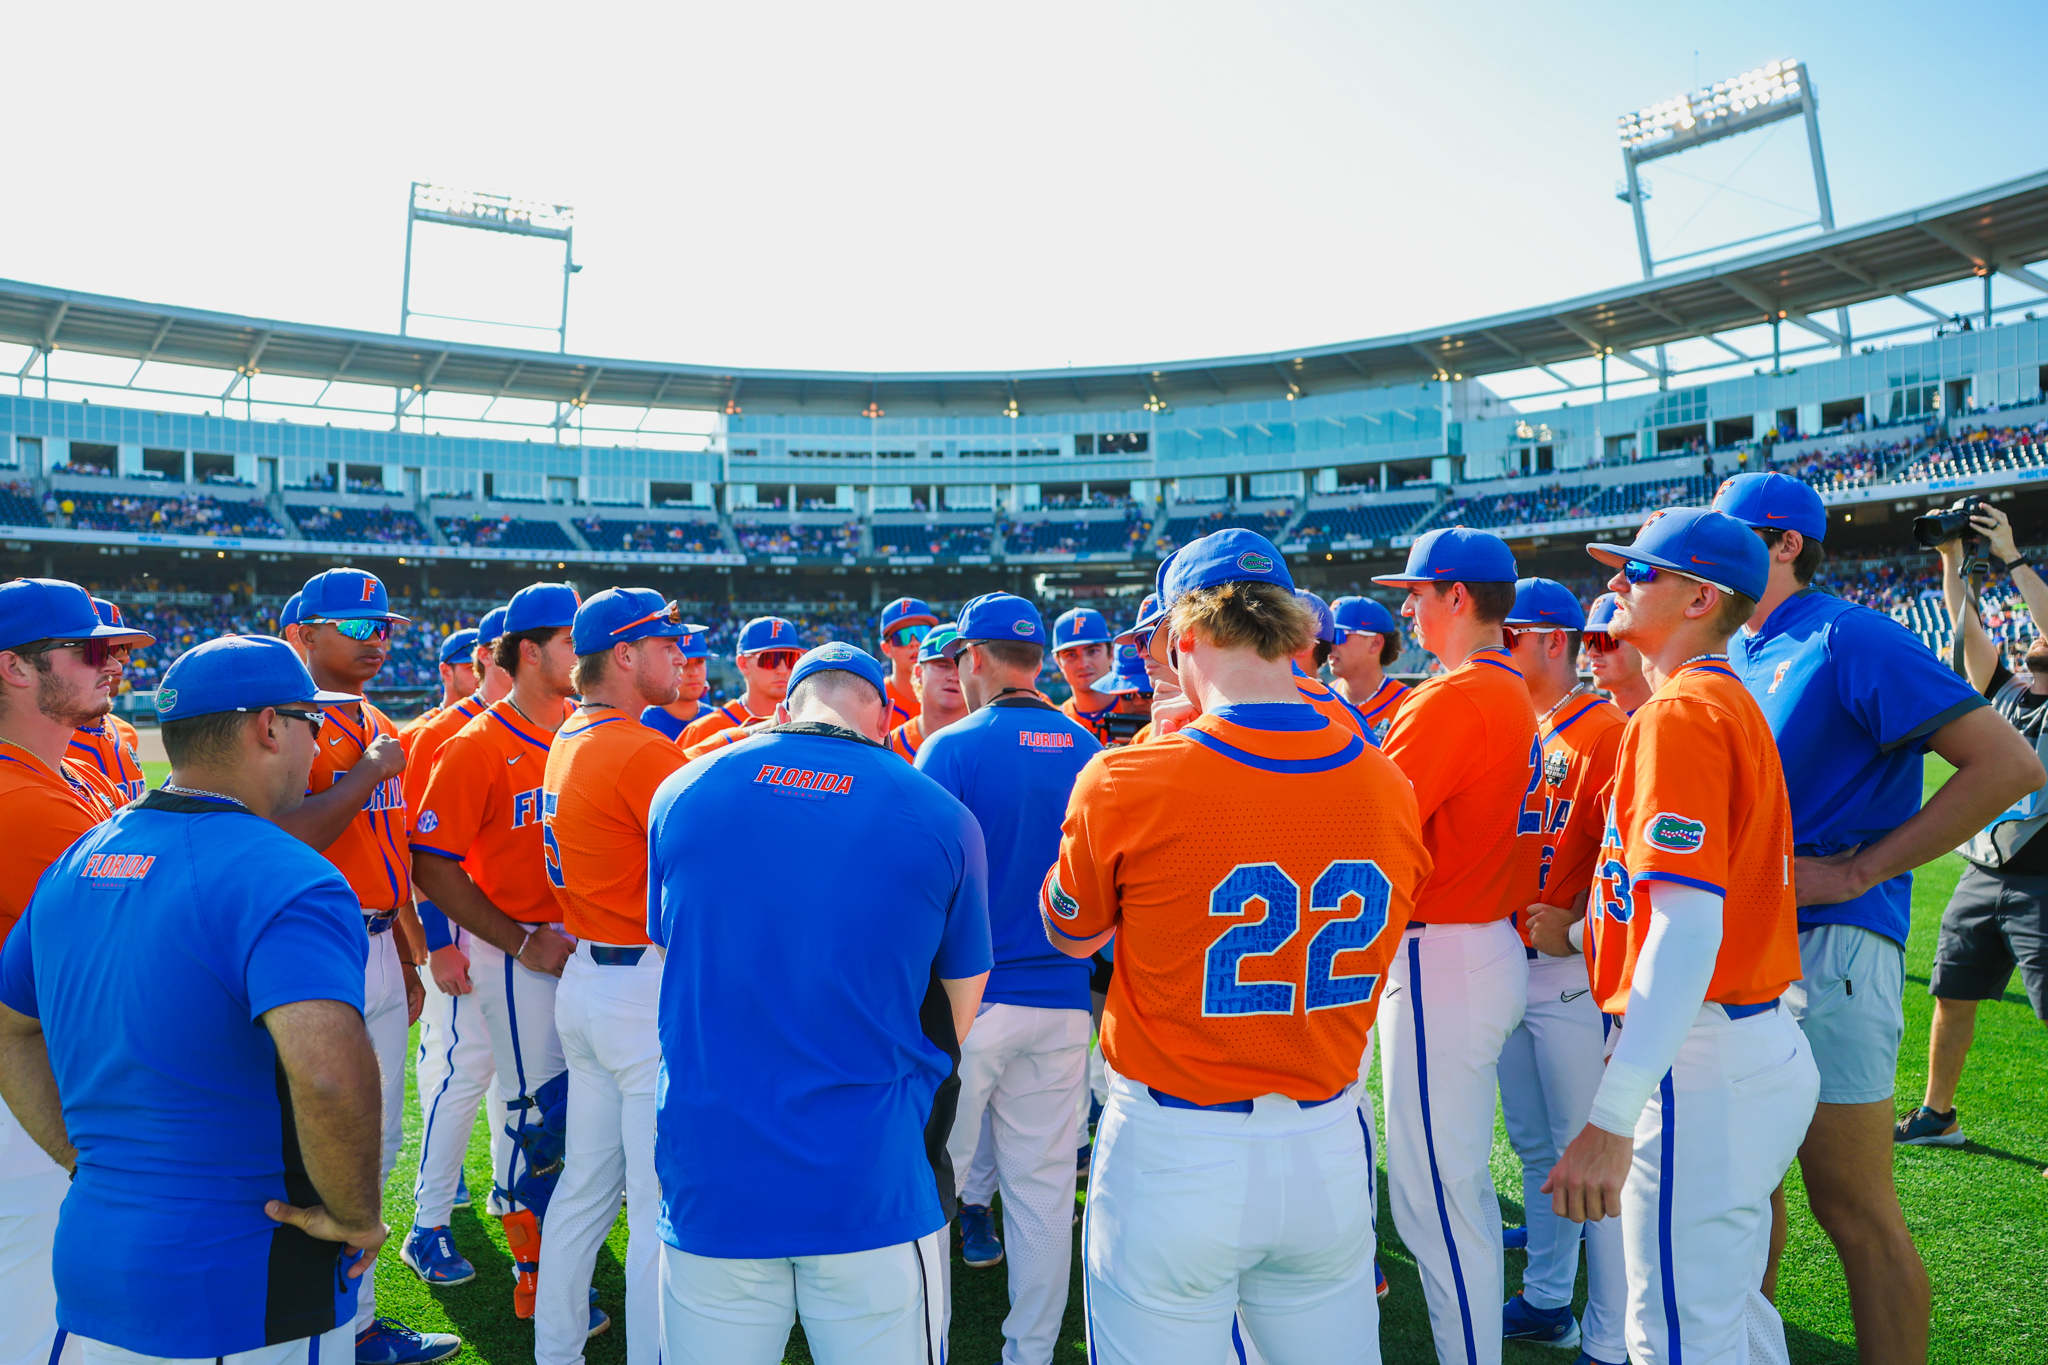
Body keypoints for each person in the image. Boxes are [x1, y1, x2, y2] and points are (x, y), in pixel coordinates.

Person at [1041, 528, 1429, 1364]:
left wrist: (1155, 744)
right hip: (1328, 1143)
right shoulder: (1386, 781)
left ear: (1183, 638)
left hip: (1175, 1149)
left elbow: (1071, 932)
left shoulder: (1128, 776)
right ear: (1293, 631)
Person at [1711, 475, 2038, 1365]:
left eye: (1730, 532)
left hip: (1833, 947)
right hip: (1749, 951)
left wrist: (1858, 867)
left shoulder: (1846, 633)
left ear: (1783, 544)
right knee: (1750, 1189)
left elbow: (2008, 764)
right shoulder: (1739, 645)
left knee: (1850, 1202)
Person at [0, 633, 384, 1365]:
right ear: (268, 725)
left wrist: (83, 1161)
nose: (319, 744)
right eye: (314, 722)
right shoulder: (285, 872)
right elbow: (328, 1071)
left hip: (96, 1264)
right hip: (244, 1287)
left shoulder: (78, 856)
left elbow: (9, 1028)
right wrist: (359, 1214)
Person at [646, 642, 992, 1365]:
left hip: (713, 1171)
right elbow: (958, 1011)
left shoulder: (683, 790)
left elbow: (671, 953)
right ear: (882, 714)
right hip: (870, 1174)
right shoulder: (940, 815)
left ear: (785, 702)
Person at [1545, 507, 1817, 1365]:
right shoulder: (1714, 700)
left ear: (1702, 596)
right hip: (1743, 1044)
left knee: (1673, 1338)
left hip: (1697, 1058)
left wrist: (1612, 1114)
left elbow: (1687, 927)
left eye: (1641, 571)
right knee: (1730, 1321)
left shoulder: (1682, 713)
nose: (1618, 582)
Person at [1369, 526, 1538, 1365]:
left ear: (1458, 597)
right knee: (1455, 1186)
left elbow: (1366, 822)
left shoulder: (1456, 694)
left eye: (1418, 591)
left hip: (1445, 952)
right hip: (1478, 944)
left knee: (1438, 1198)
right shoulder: (1503, 688)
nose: (1407, 605)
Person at [275, 570, 452, 1365]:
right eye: (356, 625)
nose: (377, 638)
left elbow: (397, 851)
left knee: (376, 1144)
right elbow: (280, 835)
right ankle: (309, 1322)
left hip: (379, 942)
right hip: (317, 947)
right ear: (302, 634)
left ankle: (359, 1323)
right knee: (316, 1145)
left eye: (383, 626)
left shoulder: (376, 716)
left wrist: (412, 948)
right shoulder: (282, 719)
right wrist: (367, 774)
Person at [917, 593, 1100, 1365]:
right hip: (1063, 1001)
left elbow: (922, 889)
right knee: (1044, 1194)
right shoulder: (1089, 743)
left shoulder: (952, 747)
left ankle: (920, 1342)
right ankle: (1028, 1352)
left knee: (929, 1192)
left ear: (976, 658)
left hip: (970, 1007)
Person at [411, 582, 582, 1320]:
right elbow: (429, 859)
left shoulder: (583, 729)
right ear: (531, 651)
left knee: (575, 1111)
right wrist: (512, 940)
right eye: (572, 638)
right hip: (516, 954)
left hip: (583, 952)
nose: (586, 648)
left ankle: (559, 1248)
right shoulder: (474, 744)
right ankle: (532, 1269)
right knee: (529, 1111)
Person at [535, 589, 690, 1365]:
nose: (680, 653)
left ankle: (556, 1349)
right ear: (624, 654)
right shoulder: (639, 746)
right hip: (639, 989)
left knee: (585, 1191)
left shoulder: (572, 732)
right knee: (657, 1199)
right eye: (665, 641)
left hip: (589, 981)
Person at [0, 579, 145, 1365]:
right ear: (15, 668)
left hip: (49, 1071)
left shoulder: (69, 777)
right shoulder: (26, 800)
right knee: (44, 1318)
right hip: (30, 1097)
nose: (112, 662)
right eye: (91, 650)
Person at [1497, 578, 1628, 1362]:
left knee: (1592, 1159)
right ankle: (1548, 1300)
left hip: (1575, 975)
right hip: (1516, 965)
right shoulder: (1528, 723)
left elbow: (1631, 863)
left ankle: (1613, 1335)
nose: (1498, 644)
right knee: (1539, 1150)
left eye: (1510, 632)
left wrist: (1577, 932)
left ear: (1553, 639)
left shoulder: (1605, 729)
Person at [1901, 504, 2048, 1148]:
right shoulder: (2010, 691)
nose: (2034, 639)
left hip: (2045, 880)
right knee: (1952, 993)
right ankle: (1939, 1115)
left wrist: (2013, 556)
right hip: (1984, 872)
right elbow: (1966, 633)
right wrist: (1952, 559)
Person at [400, 607, 511, 1285]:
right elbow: (420, 852)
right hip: (463, 927)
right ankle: (430, 1218)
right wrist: (435, 942)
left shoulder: (552, 726)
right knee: (457, 1066)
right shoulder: (441, 733)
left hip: (525, 934)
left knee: (514, 1077)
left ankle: (506, 1187)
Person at [676, 615, 801, 753]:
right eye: (770, 659)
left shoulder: (809, 722)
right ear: (743, 664)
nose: (783, 670)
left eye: (791, 658)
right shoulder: (702, 730)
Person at [65, 598, 148, 804]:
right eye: (103, 651)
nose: (119, 665)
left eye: (122, 655)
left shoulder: (125, 731)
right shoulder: (45, 742)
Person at [1327, 595, 1408, 742]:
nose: (1329, 645)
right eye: (1326, 636)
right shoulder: (1322, 698)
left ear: (1375, 643)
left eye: (1338, 636)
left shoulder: (1408, 705)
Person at [886, 622, 966, 761]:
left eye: (962, 666)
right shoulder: (890, 747)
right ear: (918, 672)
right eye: (943, 666)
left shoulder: (988, 744)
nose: (954, 676)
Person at [639, 621, 714, 740]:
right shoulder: (642, 724)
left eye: (699, 662)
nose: (694, 672)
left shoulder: (719, 719)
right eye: (684, 664)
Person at [1053, 606, 1117, 744]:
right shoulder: (1054, 725)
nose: (1082, 664)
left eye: (1092, 651)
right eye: (1071, 654)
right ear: (1058, 662)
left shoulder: (1141, 711)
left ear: (1111, 653)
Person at [1582, 594, 1652, 715]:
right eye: (1589, 641)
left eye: (1603, 640)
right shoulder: (1590, 719)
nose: (1591, 653)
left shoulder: (1673, 714)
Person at [878, 596, 940, 729]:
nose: (914, 643)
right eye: (902, 636)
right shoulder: (873, 698)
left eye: (922, 632)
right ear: (887, 648)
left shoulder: (951, 696)